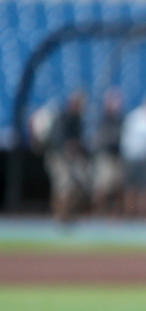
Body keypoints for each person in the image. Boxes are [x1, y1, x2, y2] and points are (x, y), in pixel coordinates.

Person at [45, 91, 89, 223]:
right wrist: (69, 146)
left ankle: (68, 214)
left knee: (76, 185)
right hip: (59, 157)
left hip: (71, 158)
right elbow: (58, 141)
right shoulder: (63, 118)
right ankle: (59, 215)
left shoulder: (78, 120)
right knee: (63, 185)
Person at [90, 89, 125, 216]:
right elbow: (102, 139)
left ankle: (113, 214)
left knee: (116, 187)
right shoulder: (103, 120)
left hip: (116, 156)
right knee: (102, 187)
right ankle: (98, 212)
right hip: (105, 156)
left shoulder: (120, 120)